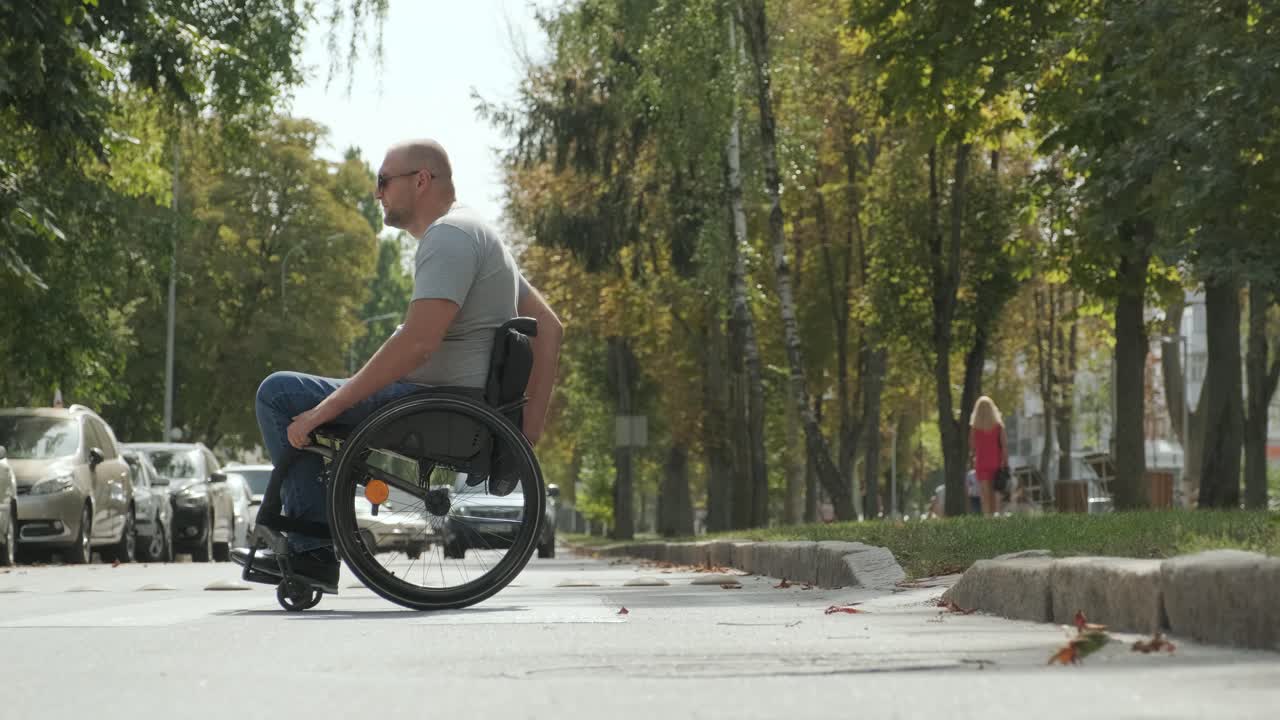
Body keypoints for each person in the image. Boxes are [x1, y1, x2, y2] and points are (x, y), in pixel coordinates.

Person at [231, 139, 565, 590]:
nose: (377, 193)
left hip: (434, 405)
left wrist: (322, 411)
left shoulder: (450, 236)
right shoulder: (479, 234)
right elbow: (551, 327)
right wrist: (528, 431)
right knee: (301, 395)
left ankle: (311, 551)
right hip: (456, 406)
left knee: (279, 393)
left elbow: (419, 344)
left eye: (384, 181)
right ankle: (310, 543)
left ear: (421, 180)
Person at [969, 396, 1008, 516]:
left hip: (981, 463)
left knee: (985, 494)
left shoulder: (974, 428)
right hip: (996, 462)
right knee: (995, 493)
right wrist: (1005, 463)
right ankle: (996, 516)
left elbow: (972, 447)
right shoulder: (998, 427)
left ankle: (988, 518)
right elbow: (1004, 446)